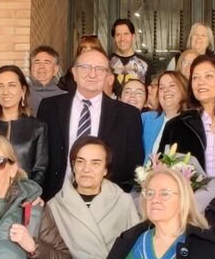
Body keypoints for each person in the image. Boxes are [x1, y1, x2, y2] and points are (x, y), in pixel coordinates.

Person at [47, 135, 143, 259]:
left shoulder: (123, 201)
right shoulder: (54, 205)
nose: (86, 169)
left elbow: (135, 253)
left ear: (105, 169)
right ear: (73, 165)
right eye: (80, 161)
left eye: (95, 163)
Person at [37, 46, 144, 196]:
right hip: (56, 198)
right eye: (85, 67)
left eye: (100, 69)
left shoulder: (128, 115)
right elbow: (39, 156)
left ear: (108, 76)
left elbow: (133, 163)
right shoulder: (49, 107)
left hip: (107, 202)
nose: (92, 74)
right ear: (74, 73)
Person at [160, 55, 215, 191]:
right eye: (195, 77)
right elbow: (164, 170)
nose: (201, 82)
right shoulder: (176, 125)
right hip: (193, 203)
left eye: (208, 76)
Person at [0, 64, 50, 193]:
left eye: (11, 85)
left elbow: (40, 169)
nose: (5, 92)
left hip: (24, 197)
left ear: (23, 90)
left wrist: (28, 195)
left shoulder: (37, 127)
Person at [143, 71, 188, 157]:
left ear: (184, 89)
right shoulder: (146, 119)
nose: (166, 90)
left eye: (172, 85)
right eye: (161, 88)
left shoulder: (192, 123)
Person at [110, 18, 150, 83]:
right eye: (118, 35)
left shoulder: (145, 64)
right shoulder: (106, 63)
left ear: (133, 36)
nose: (122, 39)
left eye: (126, 34)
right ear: (114, 38)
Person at [28, 46, 63, 112]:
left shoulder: (65, 97)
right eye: (37, 62)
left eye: (47, 63)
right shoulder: (23, 95)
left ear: (55, 69)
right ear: (31, 68)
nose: (41, 66)